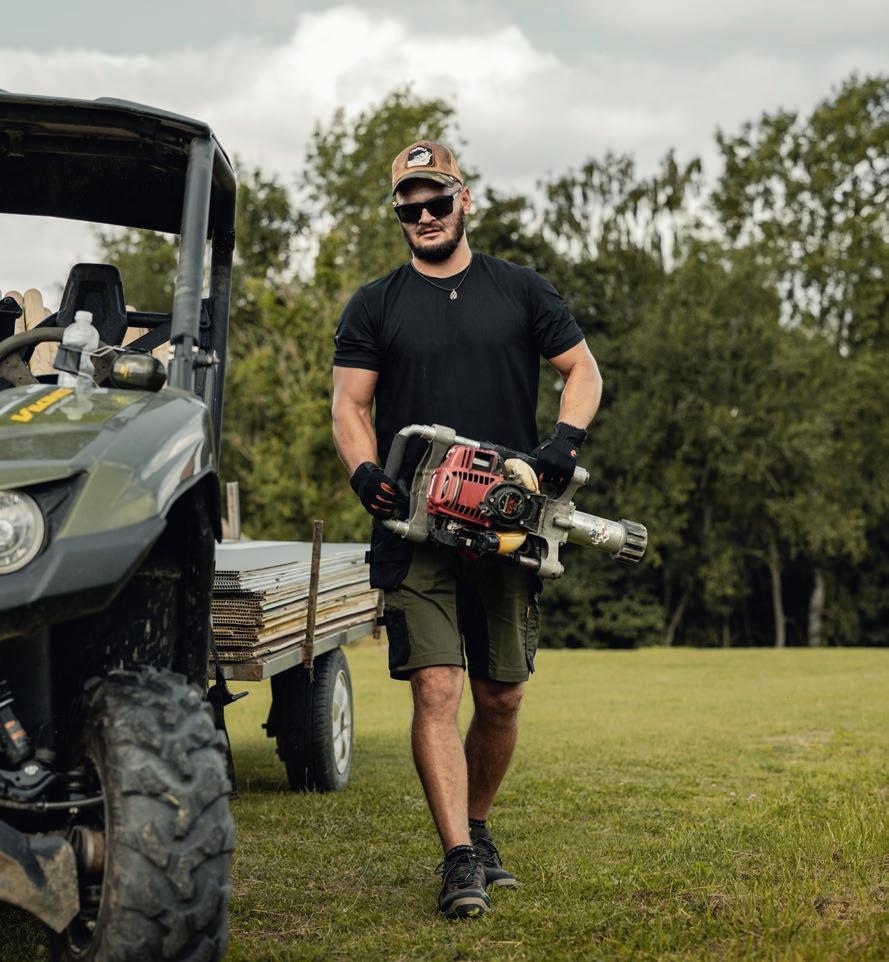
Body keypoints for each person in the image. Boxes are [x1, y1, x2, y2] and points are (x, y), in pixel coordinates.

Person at [331, 140, 602, 919]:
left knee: (502, 694)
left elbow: (581, 370)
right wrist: (363, 472)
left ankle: (476, 827)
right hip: (413, 523)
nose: (423, 216)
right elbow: (350, 404)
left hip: (504, 524)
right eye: (408, 206)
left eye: (436, 201)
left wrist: (563, 444)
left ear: (464, 200)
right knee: (437, 687)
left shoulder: (520, 289)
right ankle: (457, 859)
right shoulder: (375, 304)